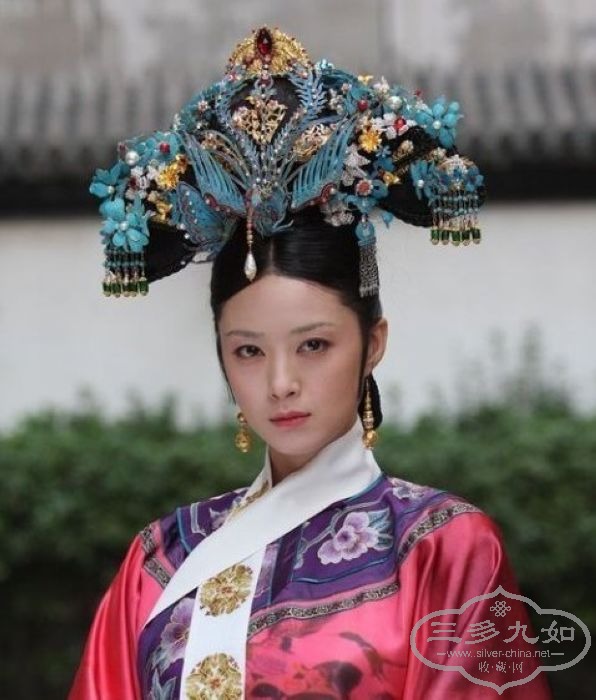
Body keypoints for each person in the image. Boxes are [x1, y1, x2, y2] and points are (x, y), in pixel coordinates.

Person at [71, 26, 552, 699]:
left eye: (314, 345)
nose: (280, 383)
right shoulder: (161, 556)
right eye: (248, 350)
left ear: (373, 342)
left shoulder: (443, 548)